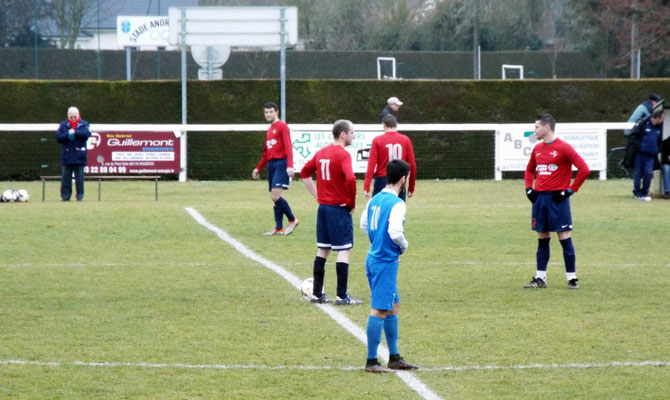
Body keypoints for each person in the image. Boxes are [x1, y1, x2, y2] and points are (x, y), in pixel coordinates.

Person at [359, 159, 418, 373]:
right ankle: (371, 361)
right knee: (380, 309)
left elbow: (364, 224)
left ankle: (394, 357)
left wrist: (377, 242)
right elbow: (395, 233)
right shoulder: (397, 203)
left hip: (375, 257)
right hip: (384, 261)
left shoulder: (374, 199)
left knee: (393, 306)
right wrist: (403, 246)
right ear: (403, 179)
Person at [524, 113, 590, 290]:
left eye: (536, 126)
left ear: (547, 127)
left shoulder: (564, 147)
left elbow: (584, 169)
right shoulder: (537, 148)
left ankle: (572, 278)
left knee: (564, 237)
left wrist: (569, 191)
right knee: (542, 237)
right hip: (540, 199)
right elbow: (529, 170)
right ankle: (540, 279)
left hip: (557, 199)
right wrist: (529, 188)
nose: (534, 130)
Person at [300, 120, 362, 305]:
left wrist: (317, 196)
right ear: (343, 134)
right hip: (338, 208)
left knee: (323, 250)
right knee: (344, 250)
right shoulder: (343, 155)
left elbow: (304, 173)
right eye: (352, 132)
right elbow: (350, 178)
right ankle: (342, 296)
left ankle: (317, 294)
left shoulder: (322, 152)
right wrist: (351, 202)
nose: (354, 135)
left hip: (323, 209)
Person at [252, 102, 299, 235]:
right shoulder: (270, 130)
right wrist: (258, 168)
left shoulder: (282, 126)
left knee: (275, 196)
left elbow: (289, 147)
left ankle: (292, 219)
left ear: (276, 112)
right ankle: (278, 228)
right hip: (272, 165)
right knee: (274, 196)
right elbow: (266, 153)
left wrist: (290, 165)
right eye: (266, 112)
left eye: (271, 112)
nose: (268, 114)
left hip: (281, 163)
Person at [364, 114, 417, 201]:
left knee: (378, 210)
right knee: (397, 209)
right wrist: (411, 187)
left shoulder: (377, 140)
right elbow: (412, 165)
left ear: (383, 125)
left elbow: (371, 164)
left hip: (382, 179)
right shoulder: (405, 140)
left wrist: (366, 186)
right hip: (400, 181)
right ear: (396, 125)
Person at [55, 106, 91, 201]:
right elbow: (58, 137)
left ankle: (80, 196)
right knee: (66, 178)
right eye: (71, 117)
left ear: (78, 115)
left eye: (75, 116)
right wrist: (67, 134)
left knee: (79, 178)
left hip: (79, 156)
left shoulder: (84, 124)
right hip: (67, 156)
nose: (73, 119)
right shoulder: (63, 125)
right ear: (68, 116)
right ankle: (65, 197)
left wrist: (75, 132)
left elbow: (86, 134)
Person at [631, 110, 664, 201]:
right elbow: (633, 136)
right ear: (657, 118)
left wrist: (657, 150)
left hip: (651, 156)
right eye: (662, 119)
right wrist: (640, 147)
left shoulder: (659, 128)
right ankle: (637, 193)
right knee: (638, 173)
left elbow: (660, 142)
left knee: (648, 174)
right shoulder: (643, 123)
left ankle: (644, 193)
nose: (663, 121)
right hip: (640, 154)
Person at [662, 134, 670, 199]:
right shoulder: (666, 142)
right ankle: (667, 192)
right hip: (667, 163)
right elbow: (664, 158)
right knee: (666, 169)